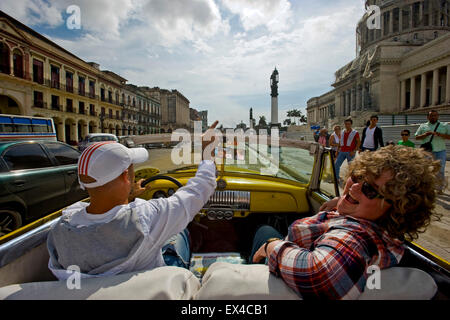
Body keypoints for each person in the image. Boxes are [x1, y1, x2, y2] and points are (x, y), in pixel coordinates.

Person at [249, 146, 441, 299]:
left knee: (262, 229)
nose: (353, 187)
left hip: (282, 263)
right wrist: (339, 203)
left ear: (398, 208)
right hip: (297, 249)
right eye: (357, 177)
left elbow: (320, 276)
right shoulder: (376, 226)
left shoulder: (356, 234)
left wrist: (272, 246)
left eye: (370, 190)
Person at [47, 121, 220, 280]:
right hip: (153, 284)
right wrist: (207, 150)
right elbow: (200, 188)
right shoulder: (146, 216)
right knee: (178, 234)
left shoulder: (61, 228)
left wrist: (128, 197)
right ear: (125, 177)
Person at [415, 110, 450, 192]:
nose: (433, 117)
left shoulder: (444, 125)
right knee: (426, 169)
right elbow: (416, 137)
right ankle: (427, 187)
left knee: (440, 169)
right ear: (428, 117)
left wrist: (440, 134)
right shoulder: (423, 126)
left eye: (435, 115)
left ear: (438, 116)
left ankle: (439, 188)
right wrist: (425, 135)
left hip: (440, 151)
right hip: (427, 151)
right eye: (431, 115)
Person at [334, 118, 361, 185]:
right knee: (336, 164)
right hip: (342, 151)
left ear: (351, 124)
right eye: (346, 124)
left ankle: (351, 181)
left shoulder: (355, 132)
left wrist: (354, 151)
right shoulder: (343, 131)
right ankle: (336, 179)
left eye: (348, 124)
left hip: (350, 152)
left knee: (351, 168)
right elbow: (340, 141)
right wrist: (337, 150)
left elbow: (358, 142)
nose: (347, 125)